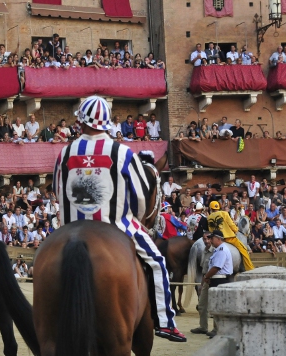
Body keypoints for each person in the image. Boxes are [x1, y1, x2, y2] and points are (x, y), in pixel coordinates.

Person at [53, 95, 186, 342]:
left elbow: (57, 190)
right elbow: (140, 199)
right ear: (107, 124)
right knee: (157, 261)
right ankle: (166, 322)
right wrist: (134, 220)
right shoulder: (123, 153)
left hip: (70, 227)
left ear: (80, 121)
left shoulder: (65, 152)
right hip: (115, 224)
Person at [201, 230, 235, 338]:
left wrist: (206, 276)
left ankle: (218, 329)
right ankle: (216, 328)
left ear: (218, 238)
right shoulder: (218, 250)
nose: (210, 240)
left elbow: (216, 267)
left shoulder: (221, 250)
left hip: (219, 279)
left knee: (217, 305)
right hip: (216, 279)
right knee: (215, 305)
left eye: (212, 238)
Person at [207, 200, 254, 271]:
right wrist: (236, 230)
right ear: (219, 207)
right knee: (244, 250)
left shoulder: (209, 217)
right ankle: (249, 269)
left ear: (211, 208)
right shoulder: (224, 213)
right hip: (228, 238)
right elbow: (231, 224)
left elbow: (211, 230)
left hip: (216, 238)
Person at [190, 232, 214, 335]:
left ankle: (216, 329)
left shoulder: (217, 250)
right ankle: (203, 326)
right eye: (204, 239)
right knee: (202, 305)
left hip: (214, 280)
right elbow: (203, 270)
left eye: (208, 238)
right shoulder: (204, 251)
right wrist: (201, 284)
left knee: (215, 306)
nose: (206, 241)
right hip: (205, 280)